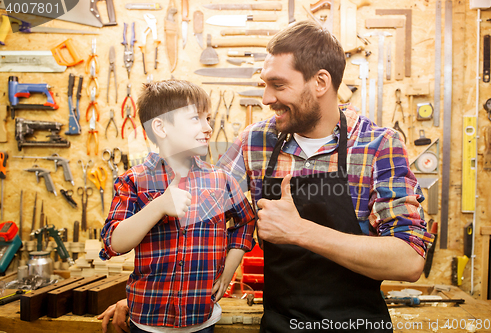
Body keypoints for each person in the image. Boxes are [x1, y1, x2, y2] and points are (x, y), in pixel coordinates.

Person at [99, 21, 433, 332]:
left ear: (320, 83)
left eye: (278, 85)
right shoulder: (255, 142)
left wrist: (301, 231)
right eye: (264, 85)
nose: (266, 98)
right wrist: (156, 297)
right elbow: (195, 218)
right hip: (281, 325)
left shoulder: (378, 146)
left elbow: (408, 261)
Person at [98, 79, 255, 333]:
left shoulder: (220, 180)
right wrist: (157, 206)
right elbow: (113, 243)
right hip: (147, 320)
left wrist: (229, 268)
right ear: (160, 127)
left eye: (208, 119)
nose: (207, 127)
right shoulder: (134, 180)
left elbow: (246, 221)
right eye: (196, 118)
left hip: (201, 319)